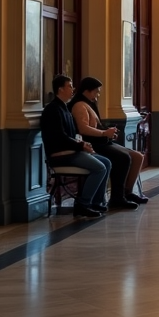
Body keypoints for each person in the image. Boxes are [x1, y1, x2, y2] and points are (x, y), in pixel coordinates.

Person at [69, 77, 145, 209]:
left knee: (138, 156)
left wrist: (107, 132)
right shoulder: (79, 105)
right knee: (123, 158)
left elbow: (97, 126)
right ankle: (117, 197)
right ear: (88, 91)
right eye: (96, 91)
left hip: (102, 141)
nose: (98, 95)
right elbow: (83, 128)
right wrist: (104, 133)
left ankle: (127, 192)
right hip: (93, 144)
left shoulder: (89, 104)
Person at [40, 75, 110, 218]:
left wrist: (83, 144)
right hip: (61, 155)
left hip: (72, 151)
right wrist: (81, 146)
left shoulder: (64, 108)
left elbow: (72, 135)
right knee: (99, 168)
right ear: (60, 89)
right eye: (70, 86)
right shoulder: (53, 110)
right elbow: (59, 137)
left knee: (107, 162)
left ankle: (97, 202)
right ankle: (83, 205)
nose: (73, 89)